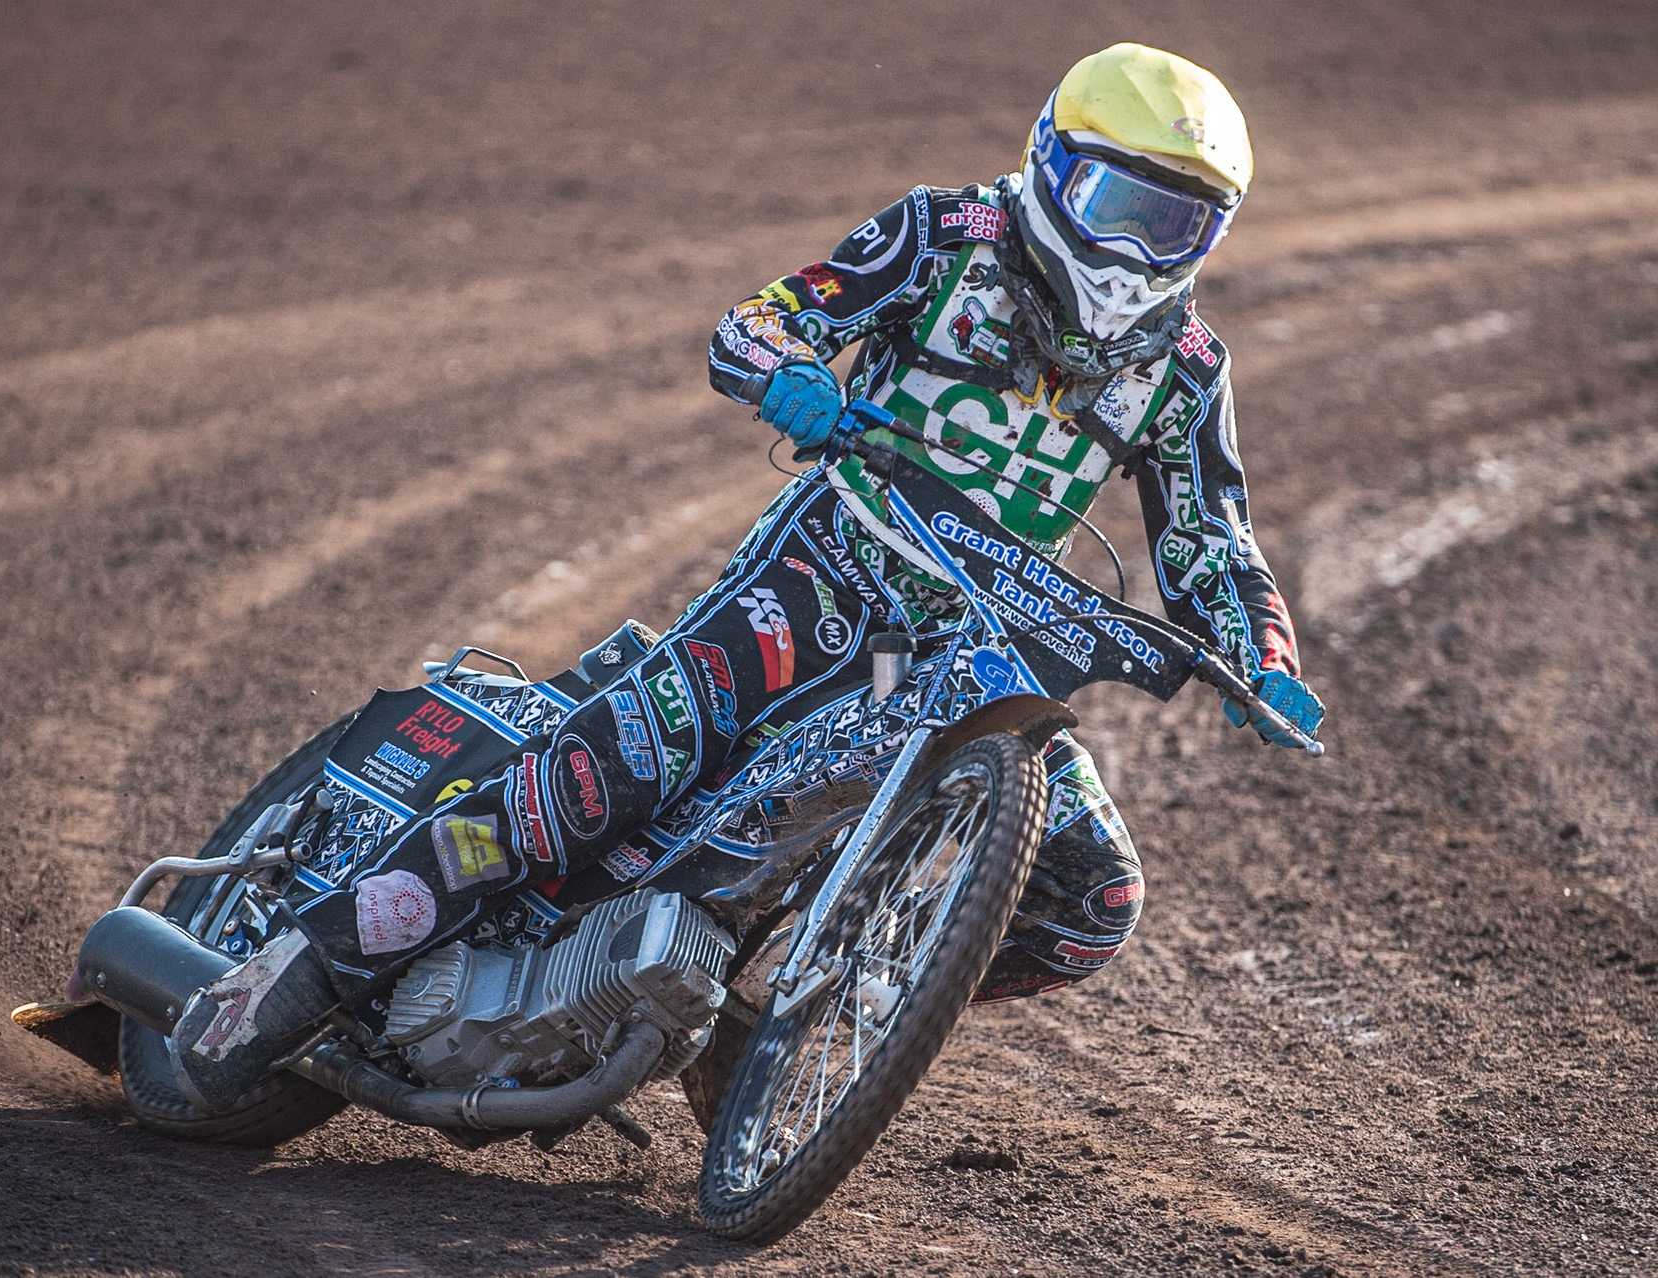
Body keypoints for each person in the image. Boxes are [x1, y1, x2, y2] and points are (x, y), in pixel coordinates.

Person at [167, 42, 1325, 1112]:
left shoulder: (1186, 369)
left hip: (986, 641)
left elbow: (1211, 542)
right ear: (1051, 164)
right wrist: (787, 375)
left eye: (1177, 225)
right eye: (1120, 205)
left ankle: (776, 1014)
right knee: (623, 765)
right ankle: (307, 964)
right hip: (829, 572)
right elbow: (760, 323)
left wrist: (1264, 658)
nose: (1136, 249)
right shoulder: (944, 233)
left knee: (1092, 904)